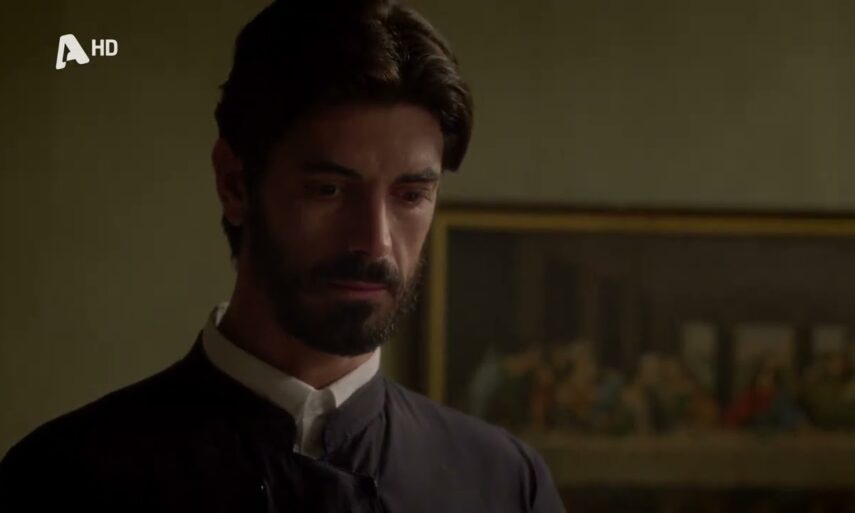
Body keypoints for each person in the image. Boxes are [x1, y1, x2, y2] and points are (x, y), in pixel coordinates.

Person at [0, 0, 564, 511]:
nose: (375, 242)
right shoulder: (64, 479)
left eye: (411, 195)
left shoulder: (506, 485)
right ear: (234, 184)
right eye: (329, 190)